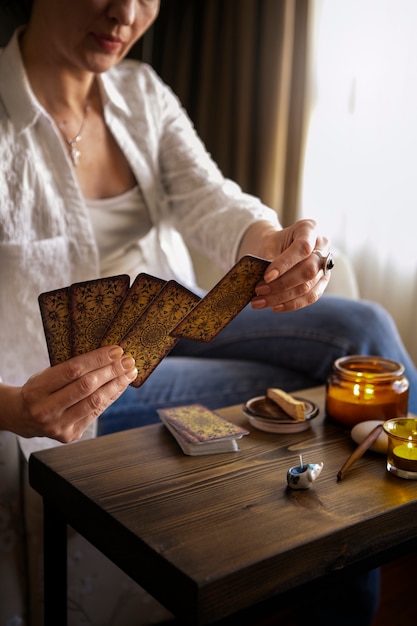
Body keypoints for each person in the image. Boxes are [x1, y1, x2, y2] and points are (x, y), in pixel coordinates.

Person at [0, 1, 416, 625]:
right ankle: (340, 571)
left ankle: (388, 533)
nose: (125, 12)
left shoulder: (141, 91)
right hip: (91, 377)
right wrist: (12, 408)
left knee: (365, 330)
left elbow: (211, 198)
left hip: (178, 321)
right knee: (317, 406)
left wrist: (275, 242)